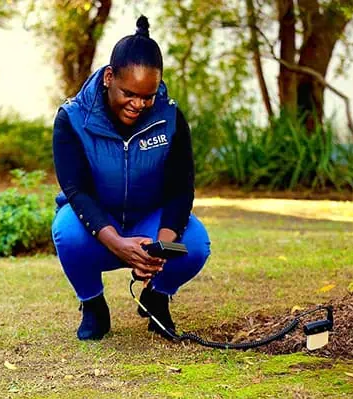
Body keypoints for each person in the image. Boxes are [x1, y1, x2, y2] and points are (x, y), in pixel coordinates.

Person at [51, 15, 211, 341]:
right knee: (66, 230)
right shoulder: (72, 118)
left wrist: (161, 248)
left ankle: (157, 296)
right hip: (97, 221)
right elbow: (76, 190)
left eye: (148, 96)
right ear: (109, 77)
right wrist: (119, 244)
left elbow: (181, 188)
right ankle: (93, 304)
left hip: (149, 219)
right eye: (129, 93)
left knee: (194, 244)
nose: (138, 104)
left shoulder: (170, 117)